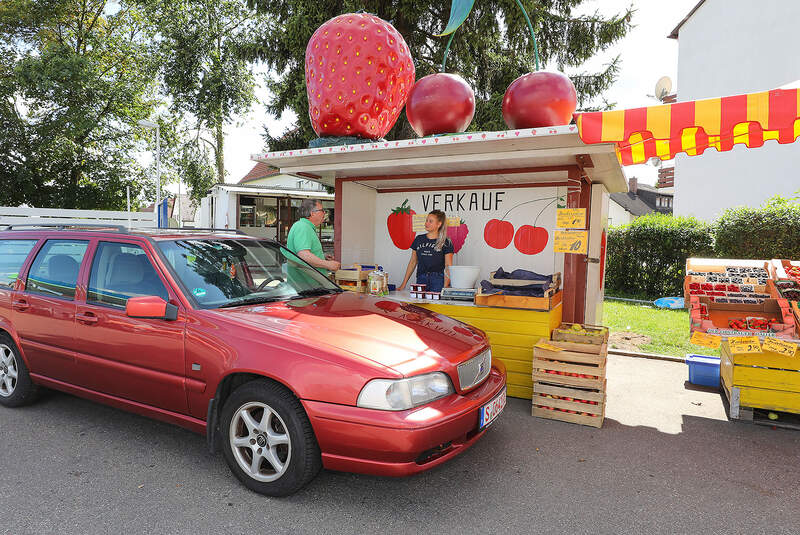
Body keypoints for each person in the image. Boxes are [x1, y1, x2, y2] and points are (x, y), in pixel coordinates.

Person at [398, 209, 453, 293]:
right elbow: (413, 262)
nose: (426, 223)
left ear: (439, 224)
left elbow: (448, 266)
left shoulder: (446, 242)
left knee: (435, 305)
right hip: (421, 278)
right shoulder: (419, 239)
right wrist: (403, 284)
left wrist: (445, 287)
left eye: (430, 221)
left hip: (438, 280)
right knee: (419, 304)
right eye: (426, 220)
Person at [286, 199, 340, 273]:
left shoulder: (306, 226)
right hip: (305, 282)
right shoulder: (303, 227)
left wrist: (321, 256)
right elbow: (304, 255)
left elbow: (306, 253)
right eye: (322, 210)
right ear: (312, 213)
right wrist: (328, 264)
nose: (324, 213)